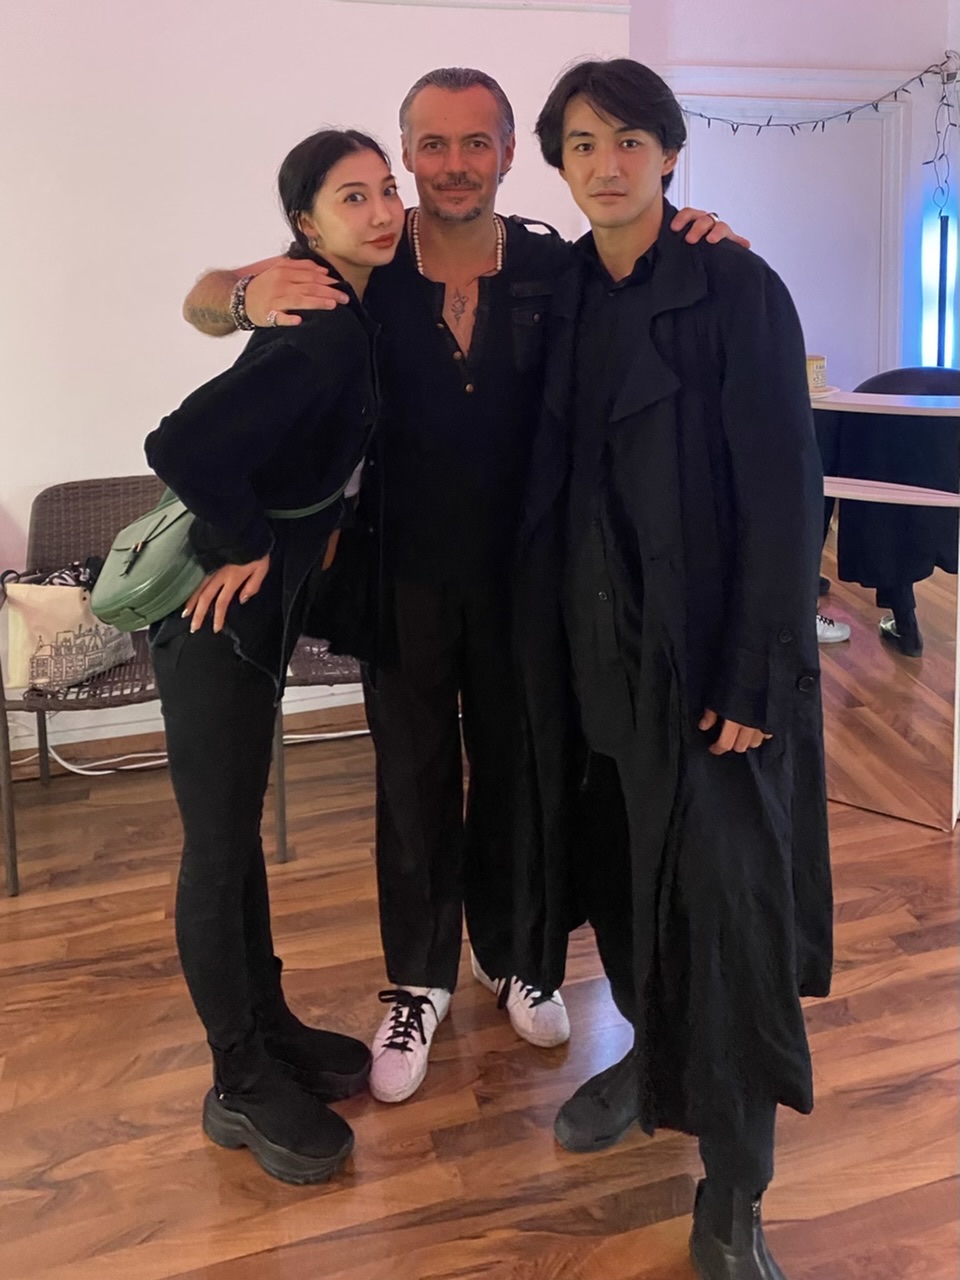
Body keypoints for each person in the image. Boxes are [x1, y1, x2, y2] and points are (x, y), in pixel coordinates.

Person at [180, 66, 747, 1106]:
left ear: (508, 153)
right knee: (413, 778)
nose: (453, 164)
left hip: (532, 578)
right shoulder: (363, 263)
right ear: (407, 155)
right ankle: (419, 979)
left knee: (525, 767)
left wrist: (694, 232)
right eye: (432, 144)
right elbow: (205, 295)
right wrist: (244, 293)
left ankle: (520, 953)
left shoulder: (553, 264)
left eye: (475, 142)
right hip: (398, 576)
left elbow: (640, 267)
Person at [513, 59, 833, 1280]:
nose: (607, 165)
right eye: (582, 144)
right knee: (624, 882)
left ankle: (736, 1189)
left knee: (729, 921)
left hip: (707, 669)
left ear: (670, 153)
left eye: (630, 141)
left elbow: (785, 493)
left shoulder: (736, 286)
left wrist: (756, 674)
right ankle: (653, 1059)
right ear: (559, 161)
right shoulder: (559, 291)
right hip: (592, 667)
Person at [148, 128, 405, 1183]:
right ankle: (237, 1080)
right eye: (354, 196)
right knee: (217, 848)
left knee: (239, 834)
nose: (382, 210)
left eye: (387, 189)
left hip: (257, 622)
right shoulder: (321, 325)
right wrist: (248, 540)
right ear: (307, 223)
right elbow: (180, 443)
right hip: (213, 622)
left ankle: (269, 1022)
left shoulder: (350, 303)